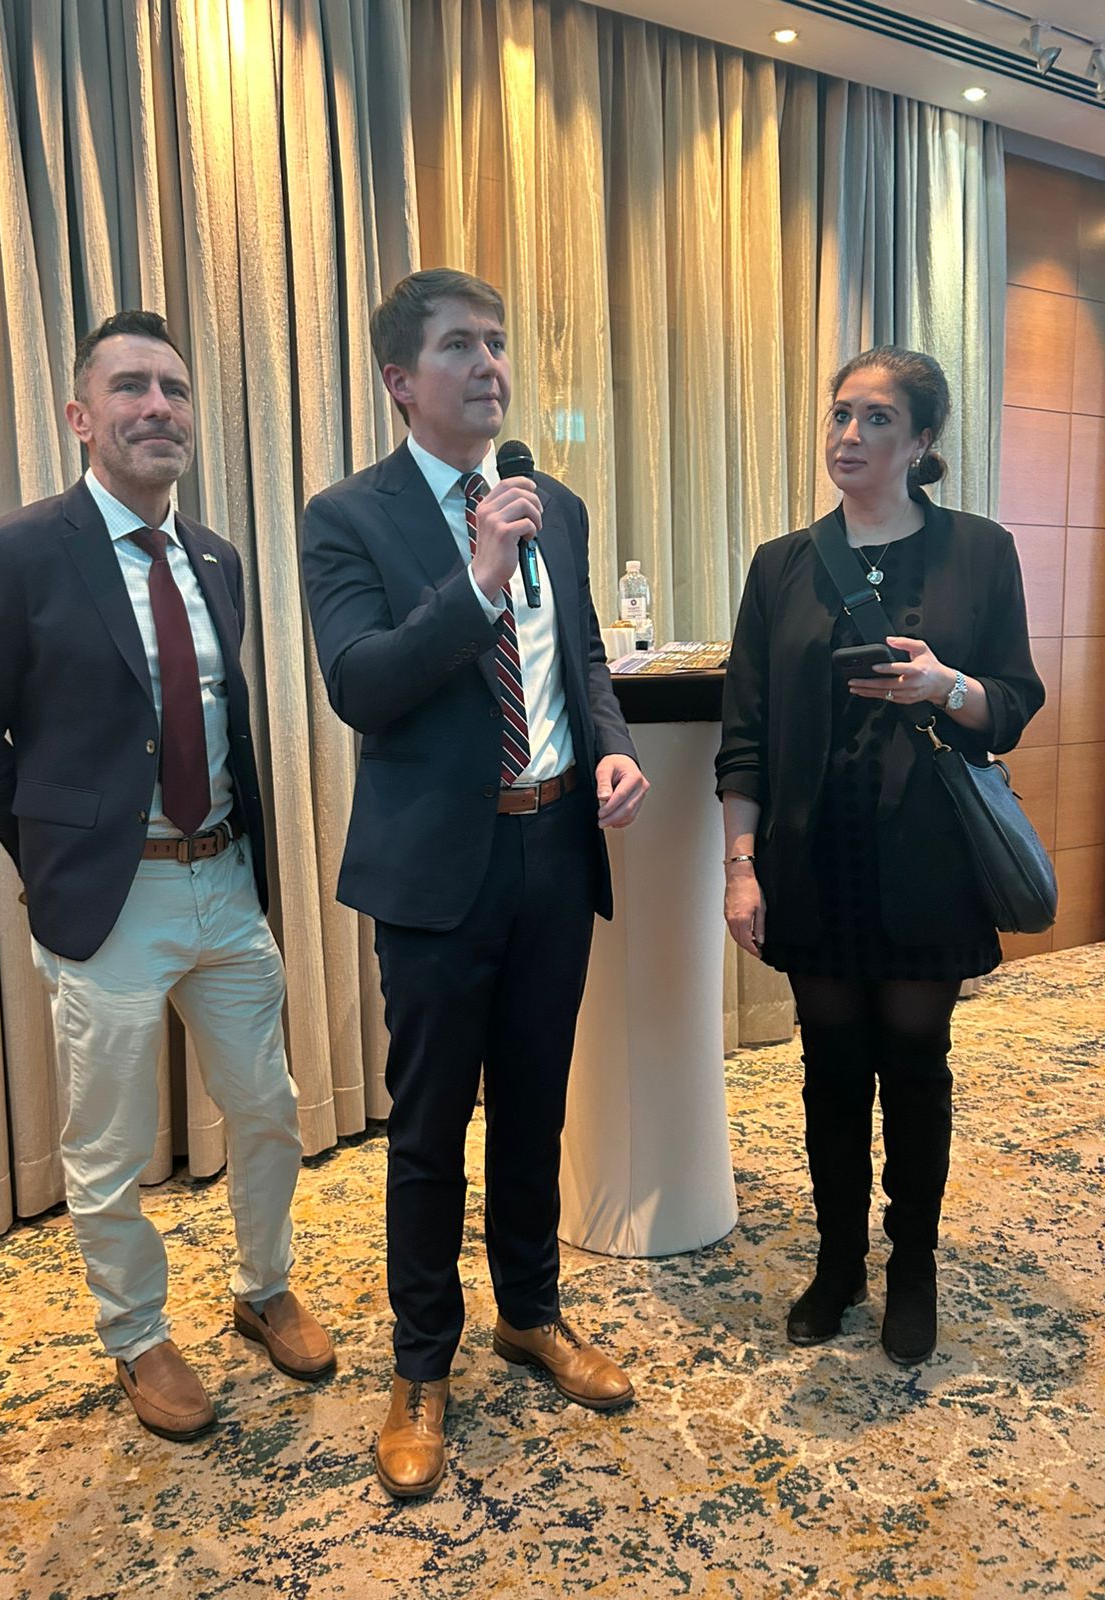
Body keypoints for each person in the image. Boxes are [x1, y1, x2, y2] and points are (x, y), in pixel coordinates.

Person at [0, 310, 334, 1442]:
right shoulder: (13, 552)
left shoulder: (216, 558)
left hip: (226, 881)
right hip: (109, 905)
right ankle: (137, 1334)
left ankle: (264, 1287)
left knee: (268, 1109)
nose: (158, 406)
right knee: (107, 1144)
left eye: (174, 388)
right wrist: (54, 852)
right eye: (130, 387)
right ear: (80, 416)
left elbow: (218, 718)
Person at [301, 268, 649, 1498]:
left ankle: (531, 1312)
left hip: (554, 848)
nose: (490, 363)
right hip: (436, 870)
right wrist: (480, 579)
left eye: (497, 341)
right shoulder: (348, 516)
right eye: (460, 345)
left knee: (537, 1105)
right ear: (402, 380)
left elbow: (583, 650)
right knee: (429, 1126)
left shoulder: (557, 502)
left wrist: (609, 742)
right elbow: (362, 683)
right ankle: (419, 1365)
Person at [716, 346, 1044, 1366]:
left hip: (928, 863)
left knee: (912, 1064)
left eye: (877, 420)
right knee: (827, 1072)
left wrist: (948, 686)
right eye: (840, 415)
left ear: (922, 441)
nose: (849, 436)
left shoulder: (979, 552)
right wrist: (740, 864)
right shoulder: (781, 564)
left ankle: (913, 1265)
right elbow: (745, 733)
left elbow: (1014, 701)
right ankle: (838, 1261)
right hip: (814, 862)